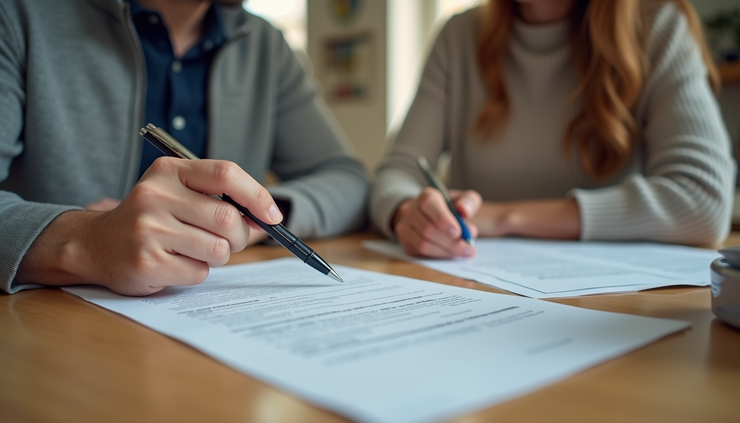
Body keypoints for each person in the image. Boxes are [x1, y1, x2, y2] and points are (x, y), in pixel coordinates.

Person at [0, 0, 369, 295]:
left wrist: (258, 218)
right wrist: (86, 240)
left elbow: (348, 179)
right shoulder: (18, 16)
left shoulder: (264, 44)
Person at [370, 0, 735, 258]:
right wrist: (409, 213)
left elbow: (703, 201)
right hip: (476, 289)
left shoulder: (659, 27)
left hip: (618, 308)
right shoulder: (458, 36)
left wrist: (504, 218)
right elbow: (397, 172)